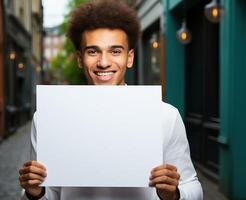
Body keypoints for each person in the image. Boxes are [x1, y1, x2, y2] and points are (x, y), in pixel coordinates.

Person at [19, 0, 203, 199]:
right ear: (80, 59)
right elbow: (49, 194)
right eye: (93, 51)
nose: (104, 62)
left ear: (129, 58)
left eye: (115, 51)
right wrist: (34, 193)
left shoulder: (165, 116)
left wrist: (175, 193)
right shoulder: (48, 118)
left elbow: (192, 186)